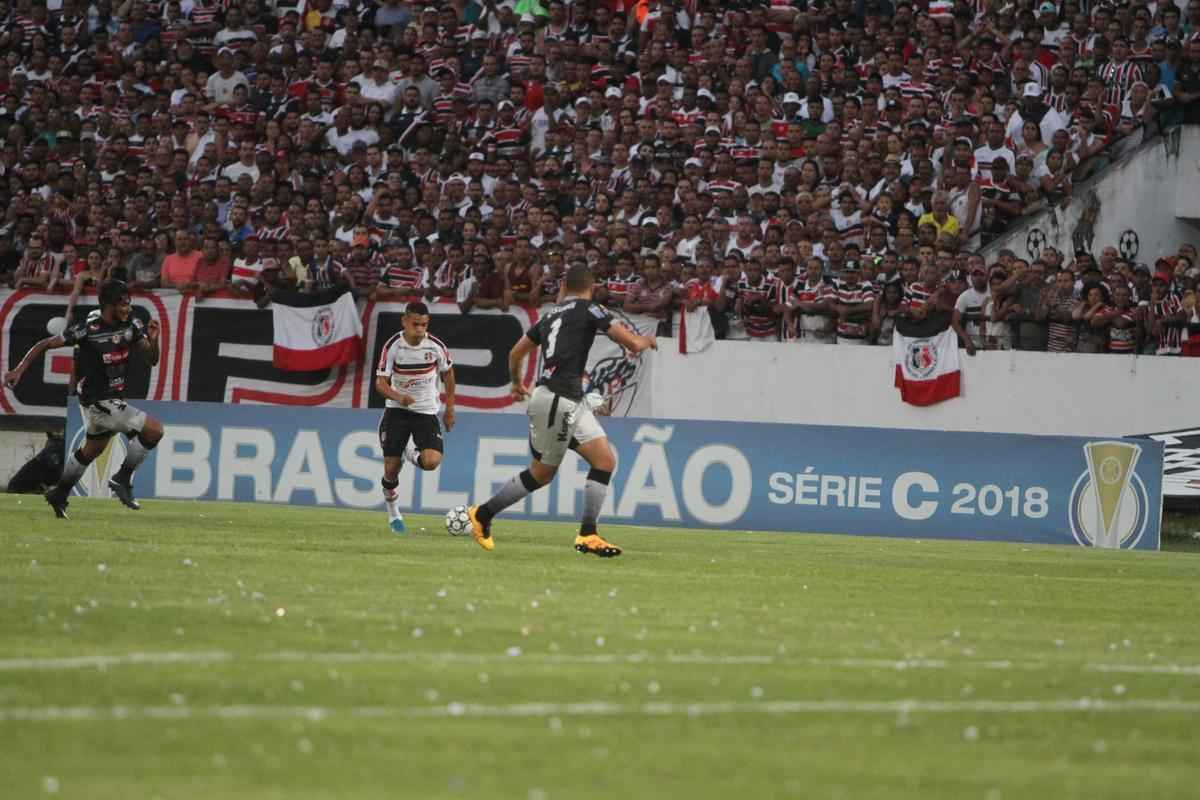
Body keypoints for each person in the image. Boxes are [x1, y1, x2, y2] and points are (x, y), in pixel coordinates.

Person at [466, 264, 657, 556]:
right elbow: (631, 341)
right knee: (542, 474)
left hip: (567, 399)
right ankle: (482, 515)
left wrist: (516, 383)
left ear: (565, 287)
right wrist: (647, 340)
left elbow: (515, 352)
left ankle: (588, 535)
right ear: (592, 287)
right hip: (557, 398)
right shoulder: (591, 309)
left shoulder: (551, 314)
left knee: (604, 460)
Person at [3, 281, 163, 518]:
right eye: (123, 304)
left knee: (91, 450)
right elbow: (44, 344)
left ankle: (60, 493)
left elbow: (151, 359)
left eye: (129, 303)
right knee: (154, 431)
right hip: (99, 401)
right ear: (109, 305)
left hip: (110, 399)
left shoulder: (132, 325)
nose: (128, 308)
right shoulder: (87, 330)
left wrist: (154, 339)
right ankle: (122, 479)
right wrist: (18, 370)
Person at [374, 302, 456, 534]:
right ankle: (394, 516)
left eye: (424, 325)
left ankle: (408, 451)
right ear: (404, 321)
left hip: (426, 412)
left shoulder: (436, 347)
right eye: (415, 324)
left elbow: (448, 374)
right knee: (391, 470)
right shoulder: (393, 346)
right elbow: (380, 383)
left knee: (431, 462)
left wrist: (450, 408)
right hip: (397, 411)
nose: (420, 330)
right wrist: (398, 396)